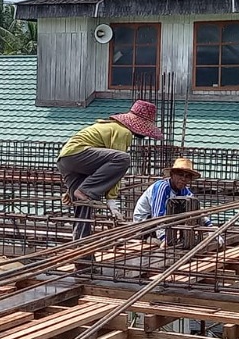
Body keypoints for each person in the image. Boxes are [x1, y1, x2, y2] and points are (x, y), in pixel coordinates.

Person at [57, 100, 164, 240]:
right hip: (78, 155)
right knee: (123, 159)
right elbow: (116, 165)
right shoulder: (124, 132)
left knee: (83, 204)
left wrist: (70, 190)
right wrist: (112, 201)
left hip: (66, 160)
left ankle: (81, 250)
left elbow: (99, 166)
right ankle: (84, 190)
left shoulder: (112, 127)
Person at [132, 157, 199, 243]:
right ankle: (150, 239)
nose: (183, 179)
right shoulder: (162, 187)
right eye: (180, 175)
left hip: (164, 224)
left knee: (188, 206)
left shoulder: (184, 191)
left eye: (187, 176)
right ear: (172, 175)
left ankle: (180, 237)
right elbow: (158, 216)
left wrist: (211, 228)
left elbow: (197, 210)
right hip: (144, 225)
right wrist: (164, 239)